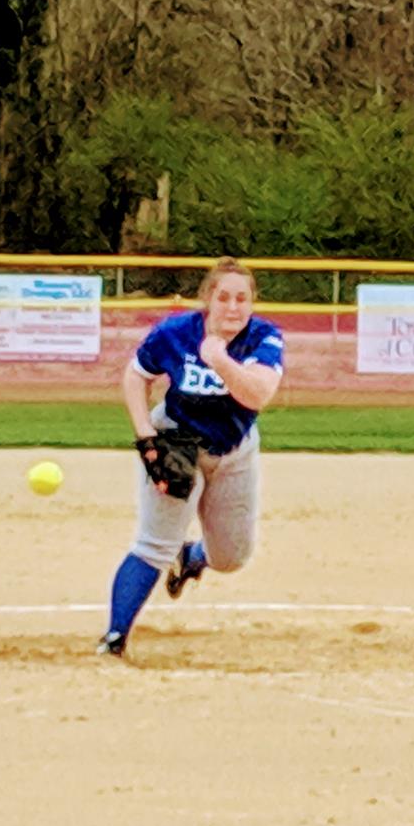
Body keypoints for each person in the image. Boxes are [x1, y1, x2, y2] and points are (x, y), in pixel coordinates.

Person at [97, 257, 285, 659]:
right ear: (208, 299)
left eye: (242, 298)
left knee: (232, 557)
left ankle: (192, 557)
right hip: (176, 441)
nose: (232, 307)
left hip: (234, 451)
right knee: (153, 544)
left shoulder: (264, 338)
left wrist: (219, 357)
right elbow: (136, 375)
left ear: (253, 303)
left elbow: (258, 395)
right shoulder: (176, 333)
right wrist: (146, 434)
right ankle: (114, 638)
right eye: (223, 297)